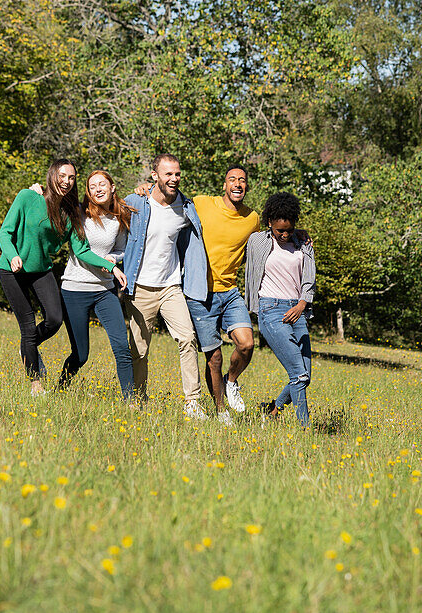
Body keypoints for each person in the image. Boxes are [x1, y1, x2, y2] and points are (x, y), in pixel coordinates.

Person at [0, 159, 126, 396]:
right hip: (12, 270)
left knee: (54, 319)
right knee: (27, 325)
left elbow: (81, 250)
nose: (66, 182)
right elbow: (5, 232)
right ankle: (35, 383)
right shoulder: (28, 197)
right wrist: (13, 255)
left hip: (41, 270)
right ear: (52, 175)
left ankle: (28, 348)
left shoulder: (71, 211)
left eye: (72, 178)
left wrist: (112, 266)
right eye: (62, 176)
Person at [123, 154, 208, 420]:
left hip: (171, 287)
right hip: (141, 288)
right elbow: (102, 211)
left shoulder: (186, 206)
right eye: (167, 174)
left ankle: (192, 402)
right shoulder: (136, 201)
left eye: (177, 174)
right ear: (154, 175)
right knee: (139, 348)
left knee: (187, 339)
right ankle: (138, 398)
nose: (173, 179)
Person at [185, 165, 261, 423]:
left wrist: (299, 236)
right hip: (200, 293)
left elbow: (273, 237)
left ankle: (232, 382)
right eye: (232, 179)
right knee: (214, 357)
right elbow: (169, 199)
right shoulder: (203, 203)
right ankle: (220, 410)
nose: (237, 184)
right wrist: (146, 189)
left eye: (242, 180)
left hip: (229, 292)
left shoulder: (252, 219)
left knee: (247, 343)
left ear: (246, 186)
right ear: (225, 184)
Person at [57, 170, 135, 400]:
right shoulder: (79, 214)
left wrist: (114, 258)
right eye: (92, 186)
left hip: (104, 291)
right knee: (81, 355)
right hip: (75, 289)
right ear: (88, 192)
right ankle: (59, 391)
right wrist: (36, 191)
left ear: (112, 187)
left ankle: (130, 402)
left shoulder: (119, 218)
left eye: (102, 184)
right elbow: (82, 253)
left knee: (122, 347)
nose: (98, 189)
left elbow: (121, 248)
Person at [245, 192, 316, 427]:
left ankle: (274, 409)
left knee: (305, 374)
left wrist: (302, 304)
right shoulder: (258, 241)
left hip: (298, 309)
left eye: (289, 229)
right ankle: (306, 428)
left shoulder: (303, 243)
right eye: (279, 231)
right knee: (299, 373)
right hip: (271, 309)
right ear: (270, 224)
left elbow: (309, 279)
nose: (285, 235)